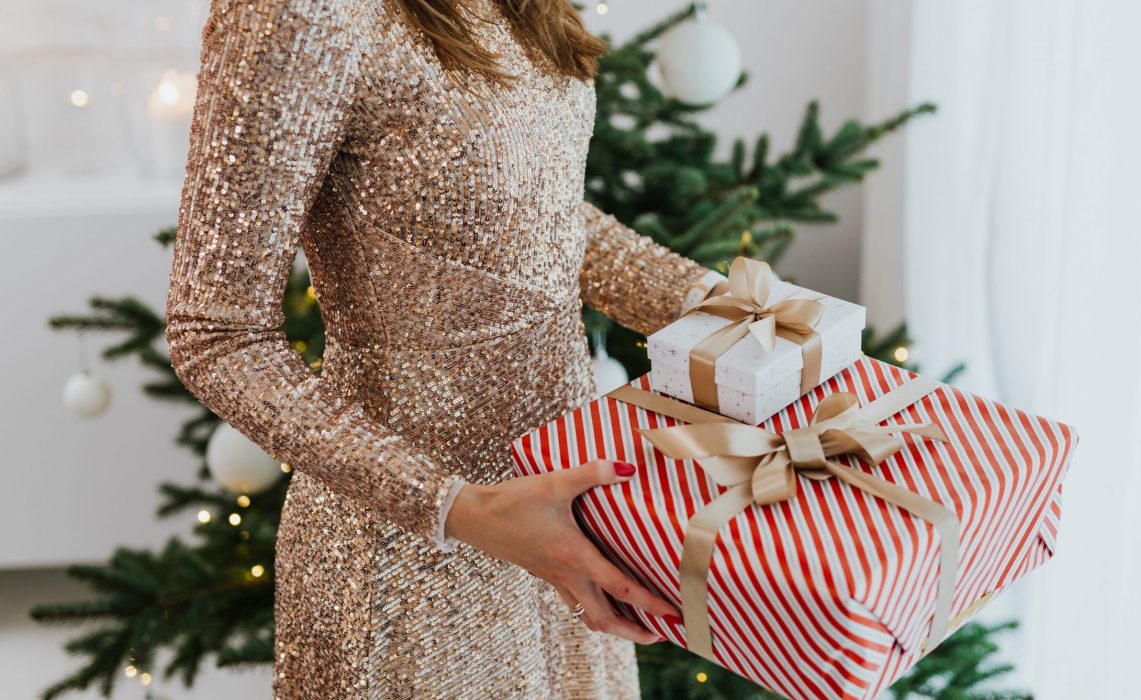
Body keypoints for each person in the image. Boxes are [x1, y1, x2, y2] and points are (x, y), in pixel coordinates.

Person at [164, 0, 727, 696]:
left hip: (564, 516)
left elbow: (530, 208)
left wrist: (717, 303)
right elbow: (216, 334)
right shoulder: (299, 11)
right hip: (409, 560)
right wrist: (462, 508)